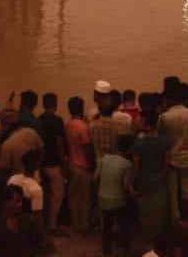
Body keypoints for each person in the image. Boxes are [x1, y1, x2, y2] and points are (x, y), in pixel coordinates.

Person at [159, 88, 188, 223]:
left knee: (172, 191)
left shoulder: (165, 117)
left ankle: (175, 219)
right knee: (187, 190)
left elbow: (161, 140)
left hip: (171, 158)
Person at [131, 110, 171, 244]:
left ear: (146, 124)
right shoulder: (165, 140)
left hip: (144, 179)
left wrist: (134, 181)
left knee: (146, 212)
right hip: (159, 179)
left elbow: (136, 166)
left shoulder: (138, 143)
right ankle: (159, 239)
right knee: (159, 212)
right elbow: (167, 163)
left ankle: (148, 240)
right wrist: (162, 175)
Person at [94, 135, 134, 256]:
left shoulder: (103, 159)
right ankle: (125, 249)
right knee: (124, 224)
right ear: (129, 149)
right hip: (118, 199)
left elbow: (95, 178)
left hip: (102, 198)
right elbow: (126, 186)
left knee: (107, 225)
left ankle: (107, 250)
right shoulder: (127, 164)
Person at [35, 93, 66, 234]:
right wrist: (63, 162)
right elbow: (59, 143)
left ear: (43, 104)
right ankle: (52, 226)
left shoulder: (38, 120)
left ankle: (44, 223)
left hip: (41, 164)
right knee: (56, 196)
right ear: (55, 104)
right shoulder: (58, 121)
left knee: (46, 195)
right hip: (54, 164)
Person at [64, 96, 94, 233]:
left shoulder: (67, 124)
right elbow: (87, 147)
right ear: (81, 108)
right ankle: (84, 226)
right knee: (85, 199)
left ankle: (75, 224)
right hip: (83, 166)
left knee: (73, 196)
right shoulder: (83, 127)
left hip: (71, 164)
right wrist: (92, 165)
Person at [0, 185, 43, 257]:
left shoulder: (28, 222)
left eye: (21, 201)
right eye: (17, 201)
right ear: (6, 202)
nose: (21, 204)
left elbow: (37, 246)